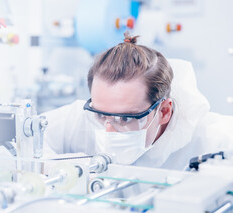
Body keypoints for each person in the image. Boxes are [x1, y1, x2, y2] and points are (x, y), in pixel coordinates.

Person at [42, 32, 233, 170]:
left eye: (125, 119)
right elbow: (24, 140)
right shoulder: (85, 117)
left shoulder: (215, 141)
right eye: (101, 115)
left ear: (164, 111)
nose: (108, 131)